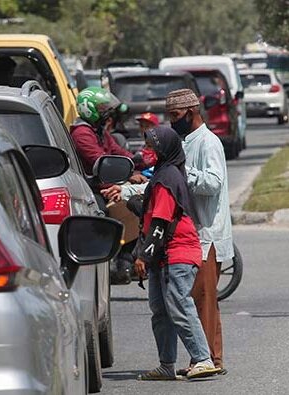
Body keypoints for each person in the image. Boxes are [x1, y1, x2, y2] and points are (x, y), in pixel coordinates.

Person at [101, 88, 233, 375]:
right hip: (184, 233)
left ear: (192, 111)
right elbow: (156, 187)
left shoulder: (208, 143)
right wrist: (125, 191)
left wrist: (183, 172)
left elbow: (212, 183)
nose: (173, 122)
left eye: (176, 116)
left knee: (201, 299)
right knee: (182, 301)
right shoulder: (182, 145)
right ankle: (190, 360)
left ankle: (210, 360)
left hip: (205, 233)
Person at [132, 125, 220, 380]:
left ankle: (203, 358)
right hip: (165, 255)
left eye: (151, 146)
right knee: (160, 310)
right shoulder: (163, 173)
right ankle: (166, 364)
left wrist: (143, 256)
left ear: (163, 149)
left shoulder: (168, 177)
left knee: (179, 304)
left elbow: (161, 222)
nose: (146, 151)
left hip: (178, 252)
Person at [70, 86, 146, 178]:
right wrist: (128, 175)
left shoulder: (98, 130)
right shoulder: (82, 133)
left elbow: (117, 150)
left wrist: (139, 161)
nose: (107, 112)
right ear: (88, 109)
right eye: (102, 108)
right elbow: (101, 161)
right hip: (94, 182)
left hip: (106, 177)